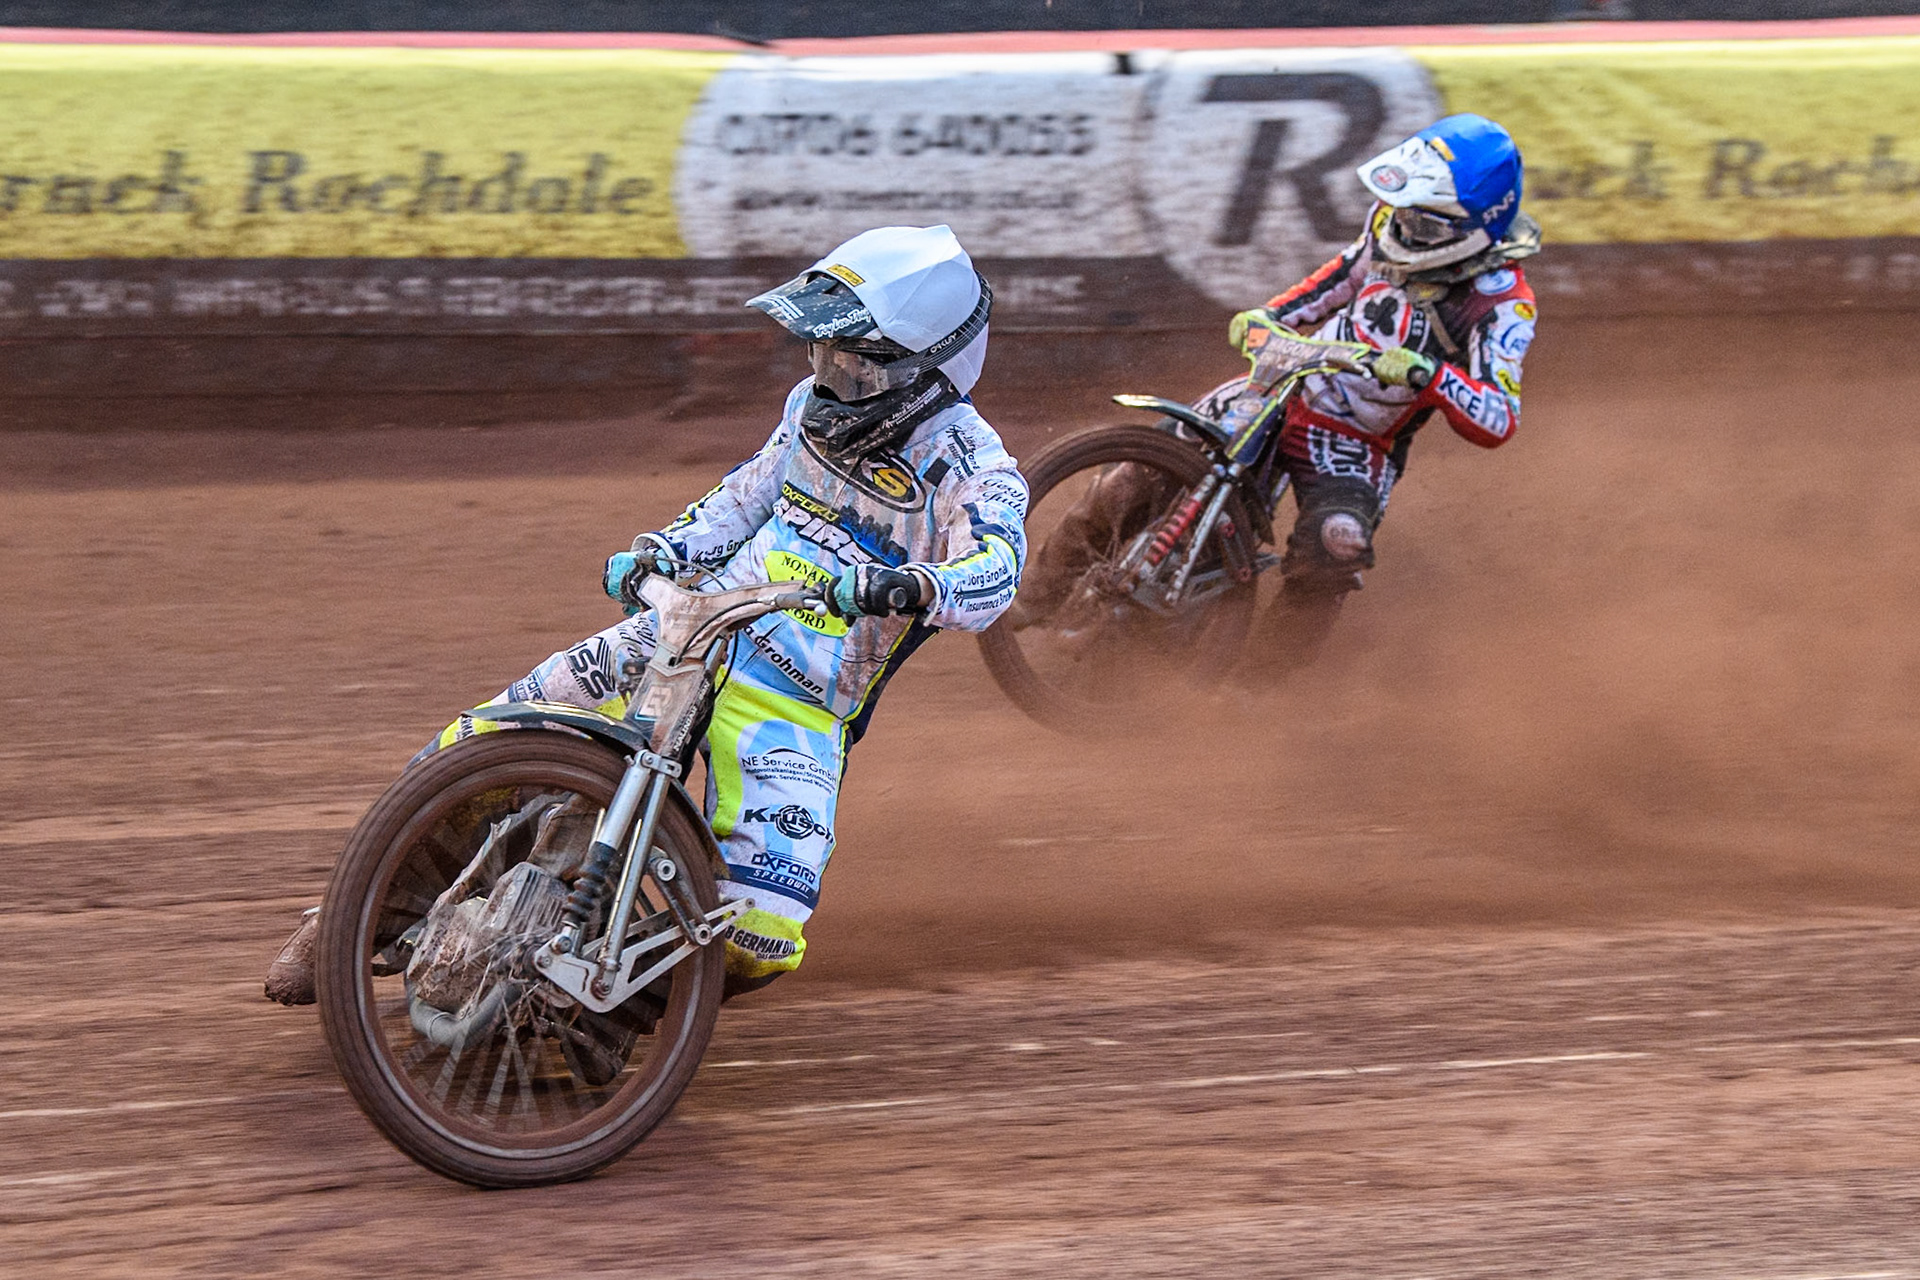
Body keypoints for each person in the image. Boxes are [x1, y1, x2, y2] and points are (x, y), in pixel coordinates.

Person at [265, 224, 1027, 1004]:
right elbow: (742, 499)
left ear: (927, 372)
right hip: (689, 628)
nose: (832, 379)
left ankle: (593, 999)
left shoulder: (973, 468)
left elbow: (998, 570)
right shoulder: (806, 409)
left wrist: (916, 587)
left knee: (761, 937)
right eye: (824, 356)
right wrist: (661, 549)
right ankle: (355, 916)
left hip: (797, 699)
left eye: (856, 366)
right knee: (487, 737)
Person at [1226, 112, 1540, 668]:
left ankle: (1254, 689)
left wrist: (1429, 374)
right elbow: (1342, 276)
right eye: (1405, 212)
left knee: (1336, 542)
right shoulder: (1388, 221)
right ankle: (1039, 589)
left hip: (1356, 444)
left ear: (1474, 227)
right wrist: (1271, 315)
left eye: (1426, 223)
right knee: (1150, 461)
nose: (1406, 228)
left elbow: (1499, 416)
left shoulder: (1501, 303)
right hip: (1289, 380)